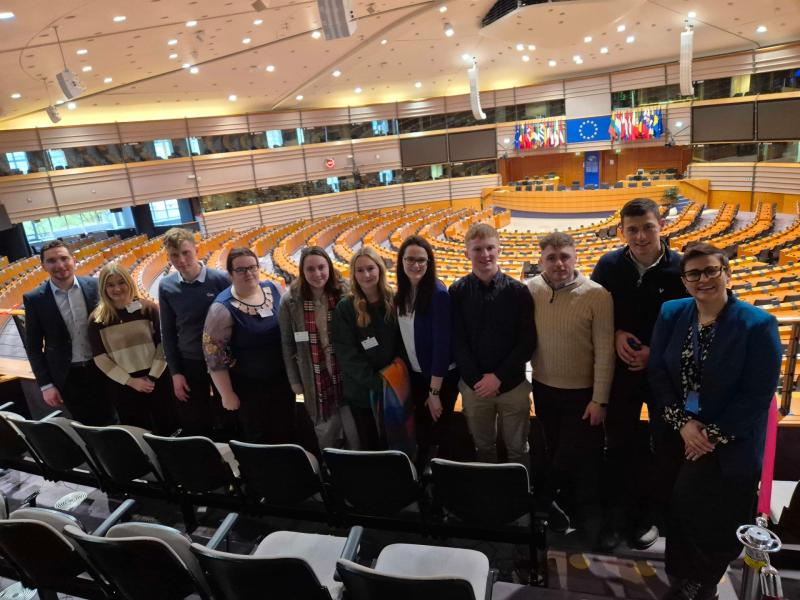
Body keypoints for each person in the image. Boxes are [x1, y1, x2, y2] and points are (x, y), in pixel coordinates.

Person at [649, 243, 782, 600]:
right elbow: (658, 371)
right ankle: (680, 574)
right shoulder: (671, 312)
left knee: (713, 515)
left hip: (728, 443)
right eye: (694, 273)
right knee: (678, 508)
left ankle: (705, 580)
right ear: (685, 280)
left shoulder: (757, 324)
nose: (703, 279)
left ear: (727, 273)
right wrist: (681, 425)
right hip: (680, 433)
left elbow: (756, 395)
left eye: (711, 271)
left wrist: (707, 437)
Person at [590, 198, 687, 550]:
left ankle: (649, 516)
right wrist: (615, 332)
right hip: (622, 374)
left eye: (647, 227)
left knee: (664, 447)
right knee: (618, 446)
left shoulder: (682, 268)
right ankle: (617, 516)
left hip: (665, 375)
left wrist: (655, 354)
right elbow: (595, 311)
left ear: (661, 225)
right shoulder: (608, 265)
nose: (641, 236)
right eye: (632, 229)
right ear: (622, 232)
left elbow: (693, 325)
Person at [527, 232, 615, 539]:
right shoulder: (531, 289)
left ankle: (547, 500)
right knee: (556, 450)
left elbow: (605, 350)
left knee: (577, 454)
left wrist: (600, 399)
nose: (559, 263)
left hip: (583, 394)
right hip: (544, 388)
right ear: (541, 261)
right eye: (551, 257)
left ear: (575, 256)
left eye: (565, 256)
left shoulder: (597, 295)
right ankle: (563, 504)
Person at [450, 223, 536, 467]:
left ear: (500, 249)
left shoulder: (519, 291)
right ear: (467, 253)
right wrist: (479, 381)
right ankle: (490, 497)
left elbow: (527, 340)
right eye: (477, 249)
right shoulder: (457, 291)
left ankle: (521, 497)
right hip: (474, 388)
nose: (485, 254)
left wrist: (498, 377)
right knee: (483, 448)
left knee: (518, 449)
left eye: (490, 248)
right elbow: (458, 341)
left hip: (513, 385)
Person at [203, 247, 295, 444]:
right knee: (259, 439)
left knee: (286, 432)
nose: (249, 273)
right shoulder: (221, 309)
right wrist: (227, 394)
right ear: (230, 274)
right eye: (241, 270)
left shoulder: (274, 289)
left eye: (253, 267)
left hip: (282, 381)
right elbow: (213, 357)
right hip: (249, 389)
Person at [23, 240, 117, 425]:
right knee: (86, 425)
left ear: (73, 260)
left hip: (104, 366)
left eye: (64, 258)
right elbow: (33, 347)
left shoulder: (95, 286)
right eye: (51, 261)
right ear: (43, 266)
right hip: (67, 376)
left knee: (116, 417)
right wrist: (46, 384)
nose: (59, 265)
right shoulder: (34, 299)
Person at [278, 246, 358, 450]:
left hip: (346, 374)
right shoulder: (290, 300)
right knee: (326, 434)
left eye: (321, 267)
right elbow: (287, 344)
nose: (317, 274)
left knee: (355, 433)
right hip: (314, 378)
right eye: (310, 269)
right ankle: (332, 471)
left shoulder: (344, 291)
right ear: (302, 272)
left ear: (329, 267)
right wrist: (295, 381)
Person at [158, 228, 230, 438]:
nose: (181, 260)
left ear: (196, 250)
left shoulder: (220, 279)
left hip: (222, 359)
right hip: (190, 361)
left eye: (185, 252)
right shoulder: (166, 286)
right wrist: (175, 372)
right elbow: (168, 332)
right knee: (197, 420)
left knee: (229, 413)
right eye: (174, 255)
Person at [88, 263, 175, 434]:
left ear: (129, 282)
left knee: (168, 427)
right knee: (137, 432)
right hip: (124, 385)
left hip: (157, 379)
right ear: (103, 288)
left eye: (121, 282)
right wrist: (131, 381)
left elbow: (163, 345)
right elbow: (100, 358)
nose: (117, 289)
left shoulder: (148, 308)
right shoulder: (97, 319)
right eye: (110, 285)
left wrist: (151, 377)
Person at [395, 235, 458, 464]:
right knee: (422, 431)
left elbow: (443, 346)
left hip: (439, 378)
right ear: (401, 261)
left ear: (429, 263)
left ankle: (441, 484)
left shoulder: (439, 294)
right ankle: (424, 481)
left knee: (440, 434)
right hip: (417, 374)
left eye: (422, 260)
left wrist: (434, 393)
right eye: (410, 259)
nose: (416, 264)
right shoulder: (401, 293)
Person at [331, 246, 398, 450]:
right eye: (360, 270)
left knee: (396, 441)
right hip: (363, 393)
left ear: (379, 269)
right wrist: (378, 382)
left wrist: (393, 378)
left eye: (370, 268)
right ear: (353, 274)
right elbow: (347, 354)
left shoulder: (395, 300)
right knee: (370, 443)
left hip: (395, 387)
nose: (366, 274)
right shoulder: (345, 308)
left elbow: (403, 342)